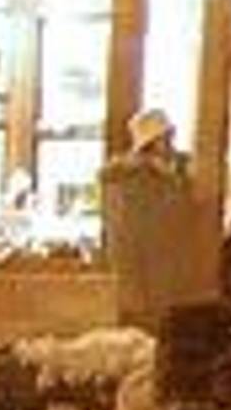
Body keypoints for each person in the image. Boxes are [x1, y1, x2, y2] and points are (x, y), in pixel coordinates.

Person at [92, 113, 218, 334]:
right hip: (145, 277)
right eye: (166, 137)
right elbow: (146, 228)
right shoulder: (131, 180)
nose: (171, 143)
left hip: (168, 275)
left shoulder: (172, 174)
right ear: (153, 142)